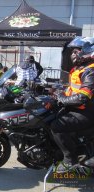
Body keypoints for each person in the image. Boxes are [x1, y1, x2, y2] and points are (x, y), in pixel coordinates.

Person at [50, 36, 94, 173]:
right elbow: (72, 88)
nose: (73, 54)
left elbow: (83, 96)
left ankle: (70, 160)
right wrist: (57, 91)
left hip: (87, 111)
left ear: (87, 51)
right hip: (76, 108)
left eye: (77, 51)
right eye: (73, 51)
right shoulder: (79, 68)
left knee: (57, 126)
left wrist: (62, 99)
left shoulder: (90, 71)